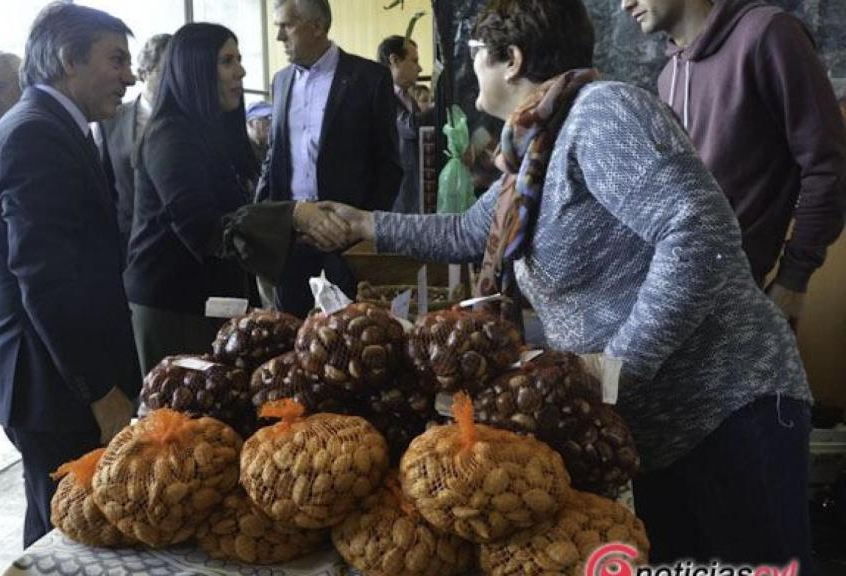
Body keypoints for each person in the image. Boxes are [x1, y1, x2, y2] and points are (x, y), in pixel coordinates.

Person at [326, 0, 813, 570]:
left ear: (512, 60)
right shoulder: (536, 147)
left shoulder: (601, 115)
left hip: (728, 406)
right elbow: (466, 230)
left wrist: (612, 367)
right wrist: (361, 223)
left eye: (477, 54)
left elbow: (699, 232)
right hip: (655, 426)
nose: (471, 68)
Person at [0, 2, 140, 547]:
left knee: (52, 527)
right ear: (69, 59)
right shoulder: (34, 136)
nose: (128, 76)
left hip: (54, 377)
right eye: (115, 60)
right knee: (69, 535)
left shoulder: (52, 127)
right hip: (54, 384)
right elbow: (47, 282)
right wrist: (101, 392)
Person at [124, 22, 348, 375]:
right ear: (194, 68)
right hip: (176, 306)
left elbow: (236, 215)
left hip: (214, 299)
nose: (240, 71)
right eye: (227, 61)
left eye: (239, 59)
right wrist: (291, 216)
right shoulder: (170, 137)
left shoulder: (211, 134)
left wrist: (297, 228)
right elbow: (203, 230)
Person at [620, 0, 846, 330]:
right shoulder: (667, 79)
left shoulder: (767, 34)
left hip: (744, 303)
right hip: (679, 303)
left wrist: (794, 278)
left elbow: (828, 164)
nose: (626, 4)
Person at [258, 0, 402, 317]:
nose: (280, 36)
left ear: (318, 26)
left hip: (346, 239)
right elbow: (273, 158)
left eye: (287, 25)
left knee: (349, 336)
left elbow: (389, 165)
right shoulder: (280, 82)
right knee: (287, 334)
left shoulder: (370, 78)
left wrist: (364, 230)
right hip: (291, 235)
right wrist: (263, 216)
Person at [97, 33, 170, 254]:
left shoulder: (192, 121)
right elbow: (106, 186)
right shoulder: (109, 119)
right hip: (129, 247)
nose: (175, 77)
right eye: (166, 69)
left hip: (181, 247)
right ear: (143, 73)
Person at [378, 35, 423, 213]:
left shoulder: (408, 97)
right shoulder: (382, 96)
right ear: (395, 60)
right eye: (414, 61)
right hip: (397, 199)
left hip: (413, 190)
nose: (419, 68)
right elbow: (411, 128)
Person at [246, 100, 272, 165]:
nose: (270, 123)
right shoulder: (242, 149)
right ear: (251, 123)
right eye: (266, 118)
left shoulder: (268, 148)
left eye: (271, 119)